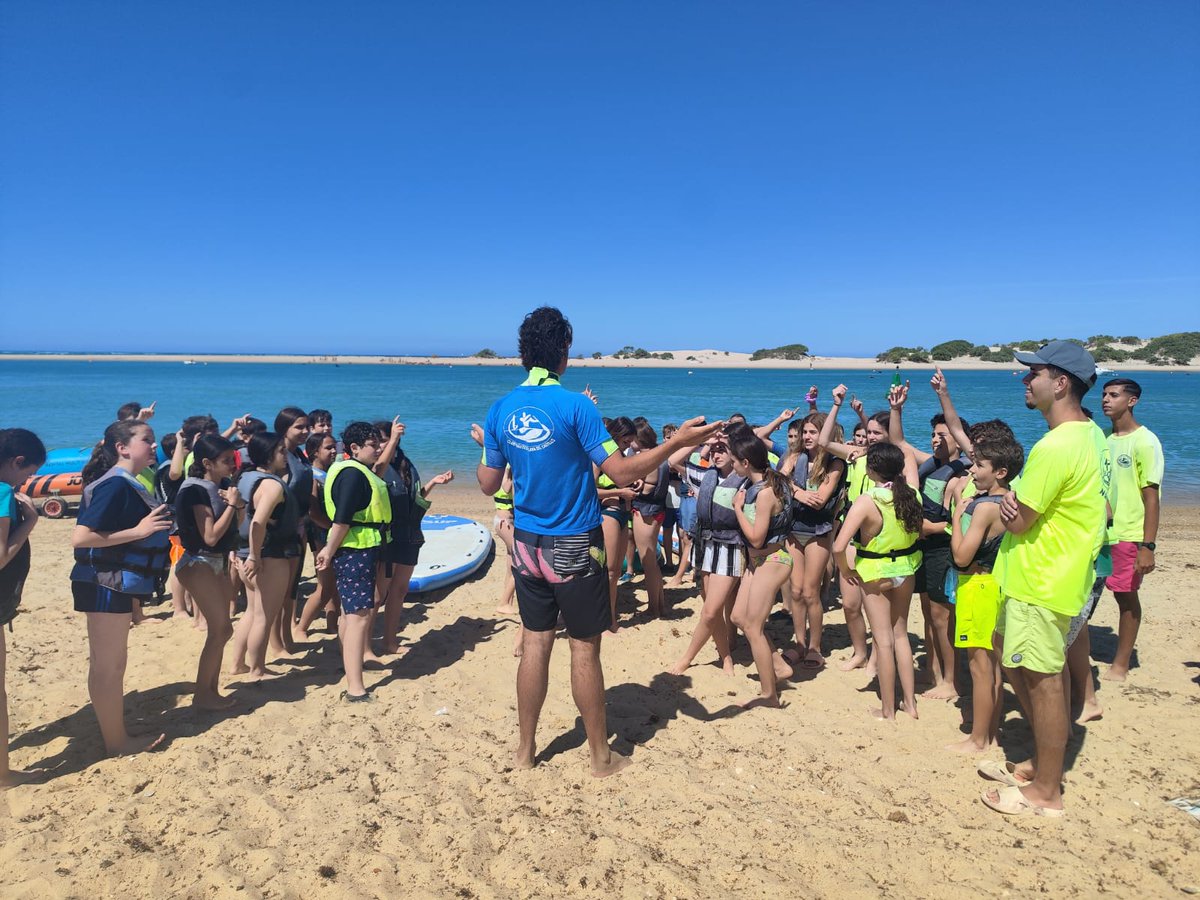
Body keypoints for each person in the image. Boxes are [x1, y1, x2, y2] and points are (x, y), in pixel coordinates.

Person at [475, 306, 720, 778]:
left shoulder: (501, 408)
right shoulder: (576, 406)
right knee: (584, 649)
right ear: (564, 352)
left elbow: (487, 484)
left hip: (526, 545)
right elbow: (622, 472)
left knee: (535, 643)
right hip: (572, 542)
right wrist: (675, 444)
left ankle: (525, 753)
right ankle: (600, 758)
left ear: (524, 354)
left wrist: (500, 451)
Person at [980, 341, 1109, 817]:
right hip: (1060, 574)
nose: (1024, 381)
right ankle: (1043, 762)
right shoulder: (1092, 434)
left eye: (1032, 373)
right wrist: (1016, 503)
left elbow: (1016, 519)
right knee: (1023, 668)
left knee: (1043, 682)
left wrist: (1013, 503)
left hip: (1041, 578)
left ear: (1060, 383)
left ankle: (1046, 792)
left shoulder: (1056, 445)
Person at [71, 420, 171, 755]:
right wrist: (140, 531)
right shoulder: (115, 484)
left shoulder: (128, 481)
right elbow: (81, 537)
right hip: (102, 581)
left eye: (154, 440)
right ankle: (117, 742)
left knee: (110, 664)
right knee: (108, 666)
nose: (153, 446)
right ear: (122, 447)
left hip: (109, 581)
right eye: (147, 440)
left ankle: (115, 730)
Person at [888, 383, 972, 701]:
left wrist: (928, 527)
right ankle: (933, 671)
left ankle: (951, 680)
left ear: (959, 441)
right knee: (927, 612)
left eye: (943, 435)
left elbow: (958, 522)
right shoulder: (931, 463)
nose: (936, 439)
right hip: (921, 548)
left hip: (941, 551)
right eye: (933, 435)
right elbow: (898, 441)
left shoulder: (962, 474)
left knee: (942, 615)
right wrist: (897, 408)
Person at [833, 442, 924, 721]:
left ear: (871, 469)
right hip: (907, 569)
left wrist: (846, 571)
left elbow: (839, 546)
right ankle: (910, 704)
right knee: (901, 636)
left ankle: (888, 710)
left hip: (876, 573)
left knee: (883, 642)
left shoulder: (868, 500)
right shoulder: (913, 495)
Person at [945, 433, 1023, 754]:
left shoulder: (983, 509)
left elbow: (962, 557)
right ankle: (990, 732)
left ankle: (978, 739)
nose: (972, 471)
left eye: (979, 465)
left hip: (977, 586)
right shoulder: (1012, 501)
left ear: (1000, 472)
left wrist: (955, 518)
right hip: (998, 584)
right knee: (994, 670)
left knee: (979, 668)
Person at [316, 421, 393, 702]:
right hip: (355, 550)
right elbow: (343, 518)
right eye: (373, 445)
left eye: (378, 443)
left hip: (360, 548)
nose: (379, 448)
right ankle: (355, 688)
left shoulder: (357, 470)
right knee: (358, 616)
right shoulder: (351, 474)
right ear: (355, 448)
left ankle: (350, 671)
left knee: (353, 614)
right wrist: (328, 549)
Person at [1099, 378, 1163, 682]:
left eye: (1113, 395)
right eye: (1104, 395)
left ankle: (1122, 663)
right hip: (1100, 533)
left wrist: (1147, 546)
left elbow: (1151, 498)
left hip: (1128, 534)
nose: (1106, 400)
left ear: (1132, 401)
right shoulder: (1104, 438)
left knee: (1125, 596)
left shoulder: (1145, 441)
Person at [173, 434, 244, 709]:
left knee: (222, 630)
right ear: (207, 462)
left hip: (214, 561)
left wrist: (236, 505)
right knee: (221, 629)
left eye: (233, 459)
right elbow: (211, 536)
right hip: (198, 561)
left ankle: (211, 692)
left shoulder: (221, 485)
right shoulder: (194, 489)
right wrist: (231, 504)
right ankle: (203, 695)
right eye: (226, 461)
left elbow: (234, 524)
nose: (232, 465)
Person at [373, 418, 452, 656]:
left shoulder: (405, 464)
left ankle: (389, 642)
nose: (379, 446)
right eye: (377, 442)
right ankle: (364, 646)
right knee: (379, 594)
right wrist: (393, 439)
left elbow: (415, 498)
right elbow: (378, 471)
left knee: (399, 590)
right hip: (389, 536)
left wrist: (433, 483)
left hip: (410, 534)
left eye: (383, 441)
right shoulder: (377, 466)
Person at [729, 426, 795, 709]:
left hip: (773, 559)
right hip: (759, 561)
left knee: (753, 626)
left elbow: (756, 537)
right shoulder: (761, 483)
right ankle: (778, 666)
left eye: (734, 460)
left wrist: (737, 509)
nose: (731, 465)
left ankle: (769, 695)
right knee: (738, 618)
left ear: (745, 463)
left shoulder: (766, 493)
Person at [667, 436, 744, 676]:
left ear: (734, 453)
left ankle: (687, 658)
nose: (717, 454)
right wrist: (704, 440)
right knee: (711, 610)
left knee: (710, 611)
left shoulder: (744, 480)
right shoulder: (705, 475)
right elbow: (672, 459)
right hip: (706, 547)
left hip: (731, 548)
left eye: (723, 450)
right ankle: (726, 657)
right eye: (714, 450)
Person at [229, 432, 300, 681]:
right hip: (266, 556)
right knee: (264, 617)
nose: (285, 455)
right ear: (269, 454)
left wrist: (237, 551)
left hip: (243, 553)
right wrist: (255, 557)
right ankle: (257, 669)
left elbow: (239, 516)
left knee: (251, 612)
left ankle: (237, 664)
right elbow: (258, 522)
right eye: (281, 451)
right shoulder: (270, 485)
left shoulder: (245, 478)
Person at [778, 413, 845, 671]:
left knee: (810, 591)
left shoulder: (834, 463)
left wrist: (796, 491)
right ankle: (799, 642)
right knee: (795, 591)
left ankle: (815, 647)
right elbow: (780, 478)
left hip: (818, 530)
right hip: (794, 529)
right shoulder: (795, 457)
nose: (806, 437)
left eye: (812, 432)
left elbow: (821, 498)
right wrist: (799, 492)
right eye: (804, 432)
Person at [0, 428, 47, 787]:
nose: (27, 480)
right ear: (16, 462)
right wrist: (29, 522)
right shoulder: (3, 493)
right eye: (28, 472)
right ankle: (3, 774)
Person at [274, 407, 313, 656]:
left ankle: (287, 636)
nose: (305, 431)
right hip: (281, 531)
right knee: (277, 591)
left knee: (291, 588)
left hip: (300, 528)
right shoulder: (277, 455)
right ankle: (275, 642)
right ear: (283, 428)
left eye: (307, 426)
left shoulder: (299, 454)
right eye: (299, 427)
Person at [294, 431, 339, 640]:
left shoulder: (329, 473)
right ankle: (302, 628)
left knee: (335, 585)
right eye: (328, 448)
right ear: (314, 451)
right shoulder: (312, 475)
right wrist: (333, 527)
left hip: (332, 535)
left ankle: (332, 624)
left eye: (334, 447)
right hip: (321, 536)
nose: (334, 451)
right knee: (325, 586)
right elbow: (312, 511)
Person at [595, 417, 638, 631]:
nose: (629, 445)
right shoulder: (599, 457)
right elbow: (590, 490)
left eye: (631, 442)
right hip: (608, 513)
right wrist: (620, 492)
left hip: (623, 513)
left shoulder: (620, 456)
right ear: (616, 436)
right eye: (626, 441)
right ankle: (609, 619)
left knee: (615, 573)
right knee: (610, 571)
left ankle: (609, 616)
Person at [629, 421, 669, 618]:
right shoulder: (660, 455)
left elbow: (646, 489)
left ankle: (654, 607)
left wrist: (630, 485)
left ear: (638, 439)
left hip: (646, 512)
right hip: (657, 511)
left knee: (648, 562)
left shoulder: (647, 458)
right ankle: (659, 604)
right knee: (652, 561)